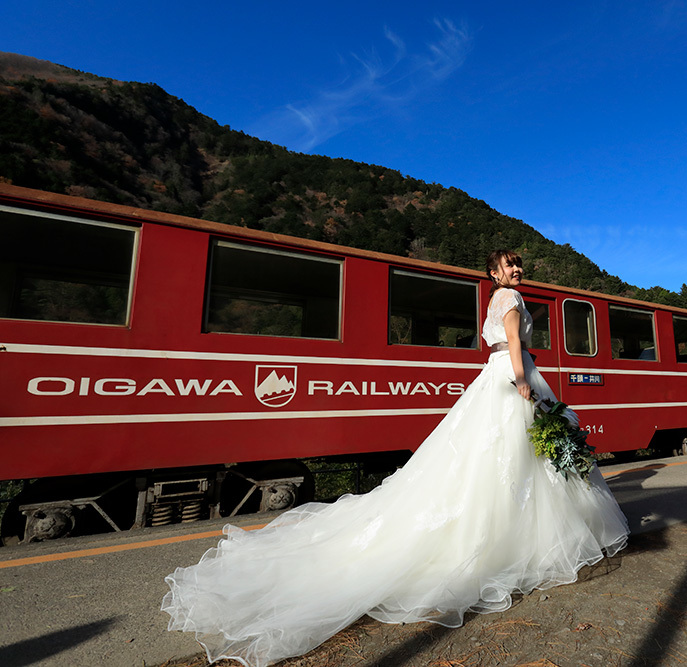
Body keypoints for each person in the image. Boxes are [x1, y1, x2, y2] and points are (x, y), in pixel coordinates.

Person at [162, 249, 629, 667]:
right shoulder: (511, 302)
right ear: (494, 273)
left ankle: (512, 537)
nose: (518, 269)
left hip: (497, 375)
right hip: (513, 374)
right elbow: (512, 339)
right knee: (517, 460)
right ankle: (524, 543)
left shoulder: (494, 300)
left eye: (519, 264)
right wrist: (521, 381)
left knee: (492, 463)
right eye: (510, 265)